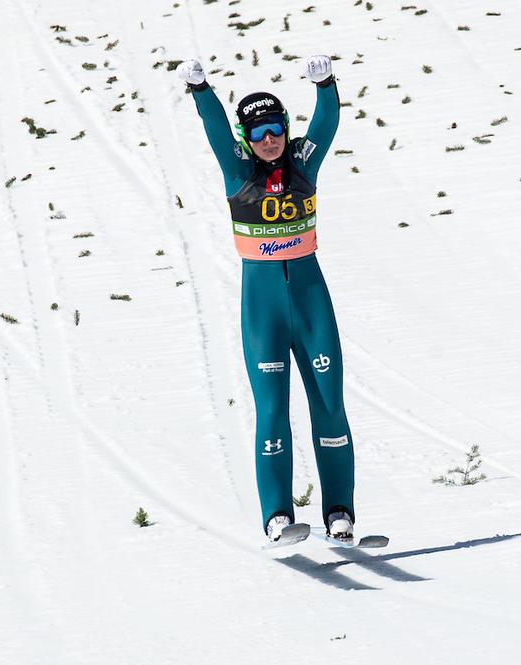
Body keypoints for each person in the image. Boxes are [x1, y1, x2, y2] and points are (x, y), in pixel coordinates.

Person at [176, 55, 356, 544]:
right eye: (258, 134)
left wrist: (325, 85)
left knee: (330, 405)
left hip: (311, 301)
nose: (269, 140)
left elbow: (328, 121)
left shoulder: (303, 163)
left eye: (274, 129)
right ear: (246, 140)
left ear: (285, 129)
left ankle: (339, 512)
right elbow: (214, 128)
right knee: (272, 410)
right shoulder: (237, 171)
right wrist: (201, 91)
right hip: (263, 311)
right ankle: (277, 517)